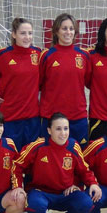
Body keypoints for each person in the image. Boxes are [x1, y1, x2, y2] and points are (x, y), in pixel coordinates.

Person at [12, 112, 102, 213]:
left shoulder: (73, 146)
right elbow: (17, 165)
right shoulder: (38, 146)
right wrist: (17, 187)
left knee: (87, 202)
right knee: (35, 203)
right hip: (41, 193)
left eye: (66, 128)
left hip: (65, 193)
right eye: (58, 129)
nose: (63, 133)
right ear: (49, 130)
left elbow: (84, 170)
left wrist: (93, 183)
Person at [39, 13, 90, 148]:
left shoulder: (84, 55)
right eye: (64, 28)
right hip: (52, 116)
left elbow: (90, 82)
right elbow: (36, 84)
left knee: (79, 157)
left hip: (77, 116)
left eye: (71, 29)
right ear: (56, 31)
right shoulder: (46, 55)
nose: (68, 32)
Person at [0, 17, 41, 152]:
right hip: (9, 118)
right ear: (14, 34)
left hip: (32, 118)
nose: (27, 37)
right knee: (9, 159)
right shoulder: (2, 55)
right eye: (23, 33)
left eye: (30, 33)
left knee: (30, 161)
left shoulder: (39, 54)